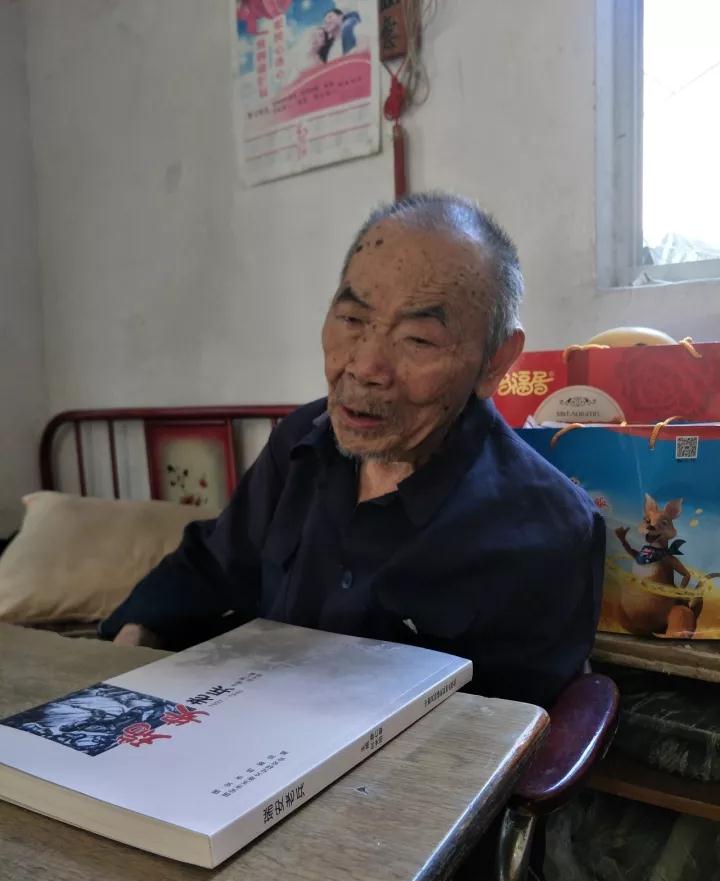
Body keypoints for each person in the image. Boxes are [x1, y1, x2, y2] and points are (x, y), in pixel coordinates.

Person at [100, 191, 605, 716]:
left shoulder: (549, 530)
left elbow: (505, 737)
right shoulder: (301, 440)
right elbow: (213, 562)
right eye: (351, 320)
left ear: (495, 362)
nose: (364, 368)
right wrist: (133, 638)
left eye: (418, 340)